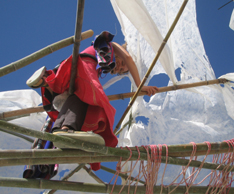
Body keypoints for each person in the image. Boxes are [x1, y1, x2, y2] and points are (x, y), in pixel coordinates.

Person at [26, 31, 159, 170]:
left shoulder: (103, 60)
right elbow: (129, 59)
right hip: (85, 66)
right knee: (97, 103)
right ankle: (48, 83)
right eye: (121, 64)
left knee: (78, 100)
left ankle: (60, 122)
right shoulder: (112, 46)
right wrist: (140, 85)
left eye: (121, 70)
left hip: (75, 68)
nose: (120, 67)